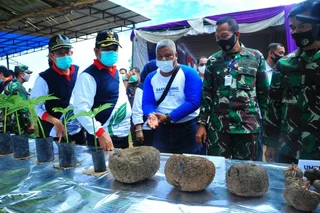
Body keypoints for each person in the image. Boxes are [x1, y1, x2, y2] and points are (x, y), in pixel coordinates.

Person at [196, 16, 269, 160]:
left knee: (247, 172)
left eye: (224, 36)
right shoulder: (213, 61)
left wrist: (269, 129)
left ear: (237, 34)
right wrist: (202, 124)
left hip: (247, 127)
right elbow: (207, 94)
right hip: (218, 128)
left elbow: (264, 94)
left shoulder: (255, 57)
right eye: (217, 37)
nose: (220, 40)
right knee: (216, 170)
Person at [264, 0, 320, 163]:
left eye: (303, 26)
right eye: (293, 28)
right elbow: (273, 106)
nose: (297, 32)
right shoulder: (285, 64)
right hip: (289, 150)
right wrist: (270, 143)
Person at [71, 30, 132, 151]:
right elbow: (80, 109)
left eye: (114, 48)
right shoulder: (88, 76)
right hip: (103, 138)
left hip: (122, 136)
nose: (111, 52)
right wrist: (99, 132)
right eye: (106, 48)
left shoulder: (116, 73)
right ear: (96, 51)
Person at [142, 39, 202, 154]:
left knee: (189, 166)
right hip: (162, 131)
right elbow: (147, 102)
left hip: (187, 130)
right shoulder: (151, 77)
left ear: (176, 55)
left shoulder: (189, 73)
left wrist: (169, 117)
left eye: (168, 55)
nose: (163, 59)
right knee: (162, 164)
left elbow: (194, 102)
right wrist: (150, 115)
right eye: (160, 56)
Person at [31, 34, 85, 143]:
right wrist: (55, 121)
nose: (64, 56)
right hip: (55, 133)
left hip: (77, 131)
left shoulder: (80, 73)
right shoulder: (44, 79)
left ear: (72, 52)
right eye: (60, 53)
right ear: (51, 56)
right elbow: (37, 107)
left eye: (67, 52)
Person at [132, 60, 157, 146]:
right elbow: (137, 109)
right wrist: (138, 129)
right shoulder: (142, 86)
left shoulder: (160, 84)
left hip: (159, 127)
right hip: (146, 128)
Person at [3, 66, 34, 136]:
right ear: (21, 74)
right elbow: (23, 107)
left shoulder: (10, 84)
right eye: (27, 73)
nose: (29, 76)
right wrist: (29, 123)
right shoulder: (18, 87)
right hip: (19, 123)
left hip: (10, 121)